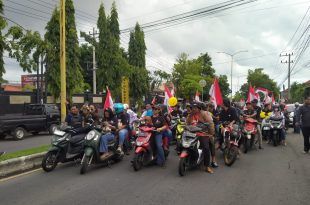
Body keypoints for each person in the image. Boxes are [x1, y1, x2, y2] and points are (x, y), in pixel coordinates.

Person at [187, 103, 215, 174]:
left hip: (202, 133)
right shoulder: (190, 115)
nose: (193, 109)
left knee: (206, 148)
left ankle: (207, 166)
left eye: (195, 108)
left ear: (199, 108)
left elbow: (210, 123)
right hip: (192, 133)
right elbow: (187, 123)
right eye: (193, 107)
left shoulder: (205, 114)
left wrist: (211, 133)